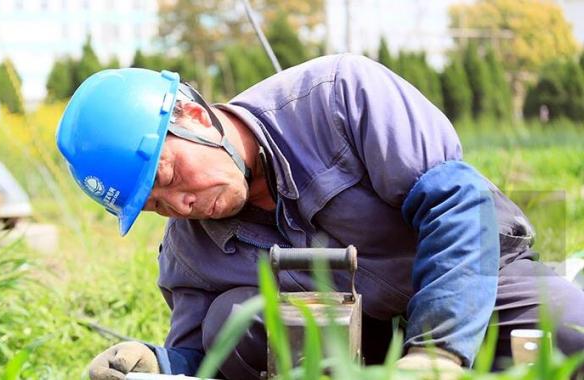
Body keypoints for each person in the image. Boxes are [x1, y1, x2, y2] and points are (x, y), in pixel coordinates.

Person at [56, 54, 584, 380]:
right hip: (352, 344)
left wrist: (437, 353)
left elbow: (457, 205)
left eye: (168, 177)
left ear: (193, 116)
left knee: (570, 330)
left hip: (473, 284)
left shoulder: (340, 96)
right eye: (154, 205)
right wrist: (157, 365)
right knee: (230, 319)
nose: (179, 205)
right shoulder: (187, 250)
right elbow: (202, 359)